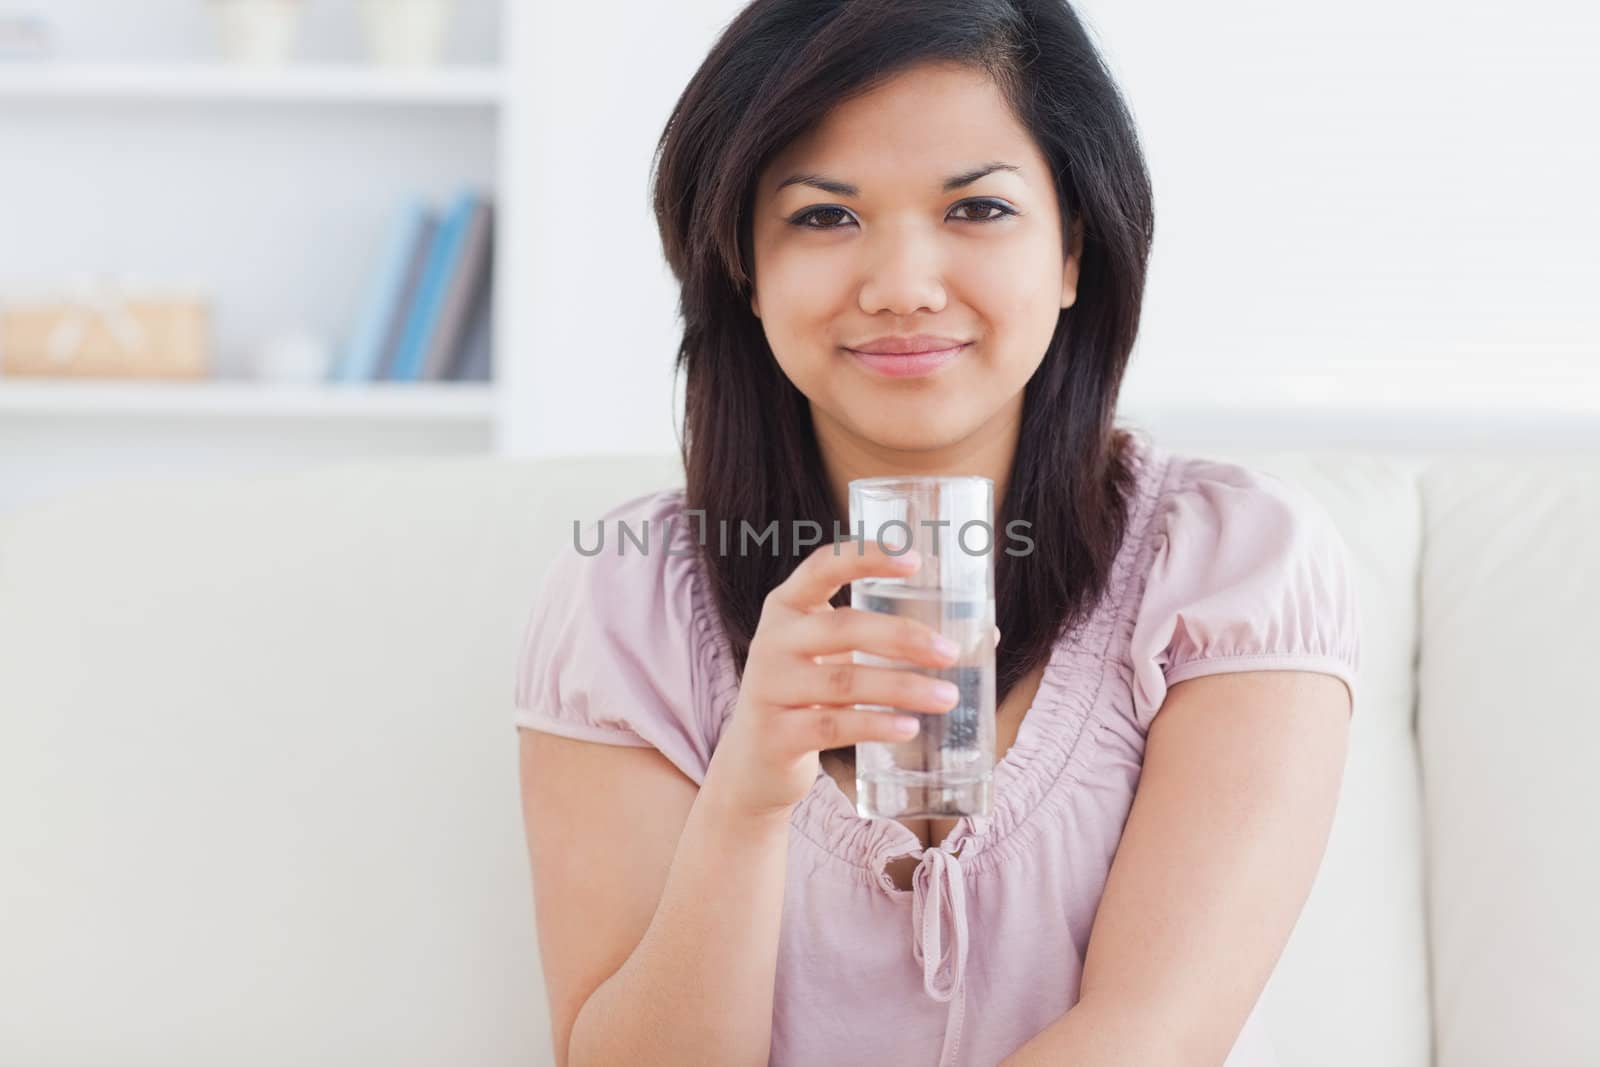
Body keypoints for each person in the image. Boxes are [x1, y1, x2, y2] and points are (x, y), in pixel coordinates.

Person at [513, 1, 1360, 1064]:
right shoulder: (625, 598)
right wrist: (747, 789)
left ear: (1071, 252)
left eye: (976, 210)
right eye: (824, 217)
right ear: (743, 264)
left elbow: (1149, 1037)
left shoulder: (1234, 563)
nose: (903, 286)